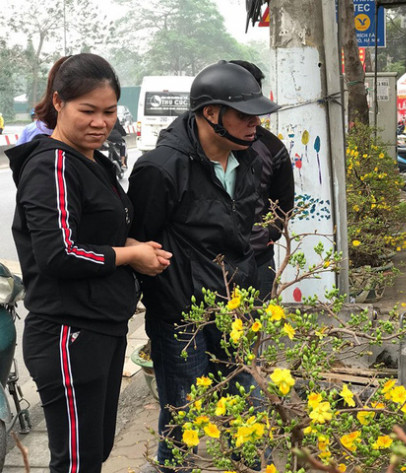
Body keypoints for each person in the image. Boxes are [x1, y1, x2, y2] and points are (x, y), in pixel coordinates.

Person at [7, 53, 172, 473]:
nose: (101, 122)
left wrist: (132, 244)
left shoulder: (92, 162)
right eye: (88, 111)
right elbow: (58, 253)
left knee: (93, 451)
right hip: (68, 332)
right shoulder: (53, 165)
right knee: (77, 461)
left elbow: (97, 233)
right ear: (58, 102)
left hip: (101, 326)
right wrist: (130, 254)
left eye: (109, 111)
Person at [127, 60, 280, 468]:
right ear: (211, 114)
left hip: (236, 308)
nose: (254, 125)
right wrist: (175, 293)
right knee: (183, 417)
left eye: (257, 116)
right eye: (245, 115)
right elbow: (140, 244)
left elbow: (243, 234)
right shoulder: (160, 168)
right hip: (183, 319)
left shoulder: (247, 158)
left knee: (248, 406)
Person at [229, 60, 295, 300]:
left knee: (258, 332)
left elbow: (284, 204)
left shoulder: (270, 147)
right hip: (208, 266)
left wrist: (266, 235)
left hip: (258, 261)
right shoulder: (192, 150)